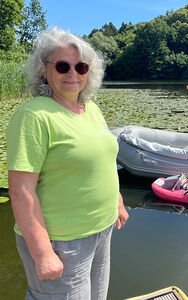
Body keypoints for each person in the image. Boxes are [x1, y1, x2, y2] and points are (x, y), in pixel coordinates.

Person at [6, 27, 129, 299]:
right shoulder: (34, 117)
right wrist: (42, 252)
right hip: (61, 242)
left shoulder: (91, 109)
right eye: (62, 66)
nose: (73, 73)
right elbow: (21, 191)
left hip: (101, 230)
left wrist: (116, 202)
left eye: (81, 67)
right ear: (43, 70)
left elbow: (102, 161)